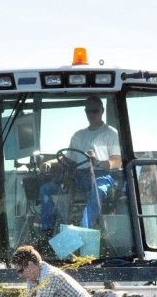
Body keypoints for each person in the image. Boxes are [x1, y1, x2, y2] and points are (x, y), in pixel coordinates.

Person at [39, 96, 121, 232]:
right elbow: (67, 159)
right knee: (46, 190)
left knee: (97, 191)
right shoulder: (78, 135)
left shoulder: (110, 133)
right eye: (88, 111)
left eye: (95, 111)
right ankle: (47, 232)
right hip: (78, 178)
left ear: (102, 110)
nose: (91, 114)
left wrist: (98, 162)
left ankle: (84, 231)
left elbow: (117, 161)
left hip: (102, 176)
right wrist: (49, 163)